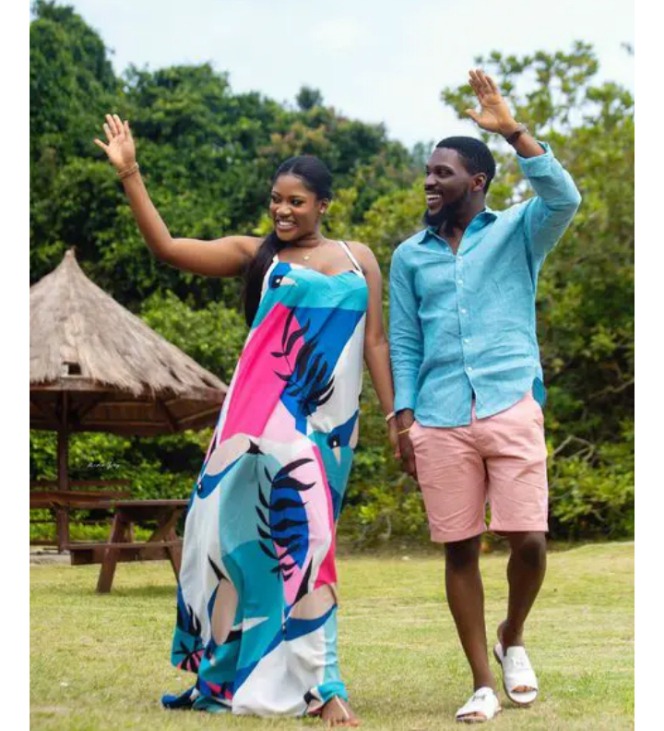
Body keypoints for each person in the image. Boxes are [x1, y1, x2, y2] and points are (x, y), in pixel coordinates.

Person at [95, 114, 398, 726]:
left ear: (323, 205)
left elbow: (376, 343)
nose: (282, 211)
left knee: (292, 546)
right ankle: (324, 687)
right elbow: (167, 248)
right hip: (262, 419)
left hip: (332, 426)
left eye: (296, 202)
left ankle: (255, 673)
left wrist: (396, 415)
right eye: (275, 200)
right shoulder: (257, 255)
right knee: (289, 542)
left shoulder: (359, 257)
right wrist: (130, 174)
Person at [389, 70, 581, 723]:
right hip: (438, 415)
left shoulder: (519, 230)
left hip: (509, 401)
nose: (429, 182)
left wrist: (513, 130)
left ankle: (511, 635)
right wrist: (403, 416)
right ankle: (480, 683)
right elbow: (405, 341)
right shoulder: (409, 257)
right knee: (460, 548)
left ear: (476, 182)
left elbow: (565, 197)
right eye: (427, 172)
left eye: (441, 173)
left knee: (529, 540)